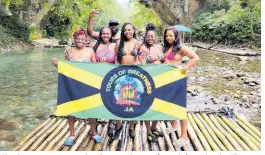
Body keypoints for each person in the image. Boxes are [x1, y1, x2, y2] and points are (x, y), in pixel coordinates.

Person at [52, 28, 102, 146]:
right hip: (72, 84)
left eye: (83, 39)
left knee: (91, 108)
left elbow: (95, 68)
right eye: (78, 39)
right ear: (74, 39)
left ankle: (94, 132)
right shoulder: (69, 50)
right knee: (71, 108)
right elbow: (65, 69)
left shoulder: (90, 51)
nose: (80, 41)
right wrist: (56, 64)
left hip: (87, 84)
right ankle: (72, 134)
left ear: (86, 41)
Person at [163, 26, 199, 147]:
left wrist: (184, 68)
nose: (168, 38)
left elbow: (195, 57)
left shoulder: (181, 47)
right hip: (168, 79)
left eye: (171, 36)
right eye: (167, 36)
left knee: (181, 106)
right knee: (172, 103)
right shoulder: (166, 47)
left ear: (176, 36)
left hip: (178, 79)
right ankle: (174, 125)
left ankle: (184, 136)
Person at [115, 22, 142, 138]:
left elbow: (141, 59)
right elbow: (117, 60)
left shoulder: (138, 43)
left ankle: (131, 126)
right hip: (121, 75)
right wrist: (117, 73)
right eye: (125, 30)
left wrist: (138, 64)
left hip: (134, 75)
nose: (127, 32)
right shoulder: (118, 43)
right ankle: (118, 126)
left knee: (134, 100)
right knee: (119, 100)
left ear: (133, 31)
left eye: (129, 30)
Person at [139, 23, 164, 142]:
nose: (150, 38)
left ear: (156, 37)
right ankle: (148, 131)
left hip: (159, 79)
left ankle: (154, 127)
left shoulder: (160, 47)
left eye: (152, 36)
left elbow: (165, 61)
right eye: (148, 36)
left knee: (158, 105)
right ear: (145, 37)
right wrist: (148, 59)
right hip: (147, 80)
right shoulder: (143, 48)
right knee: (147, 106)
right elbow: (141, 64)